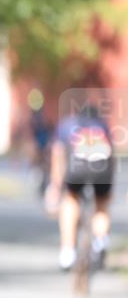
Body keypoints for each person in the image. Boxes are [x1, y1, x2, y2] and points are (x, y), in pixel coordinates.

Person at [45, 103, 116, 271]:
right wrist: (109, 189)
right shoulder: (103, 126)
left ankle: (67, 253)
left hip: (76, 170)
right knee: (101, 204)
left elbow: (58, 153)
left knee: (70, 200)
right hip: (101, 171)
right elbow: (111, 156)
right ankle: (100, 242)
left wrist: (55, 184)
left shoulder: (67, 125)